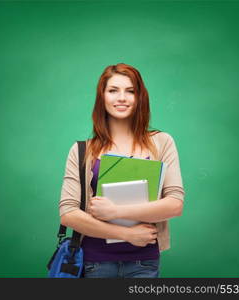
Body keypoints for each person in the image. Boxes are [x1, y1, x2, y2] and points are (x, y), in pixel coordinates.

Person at [59, 63, 185, 278]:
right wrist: (126, 234)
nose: (122, 98)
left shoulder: (162, 142)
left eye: (130, 91)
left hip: (144, 263)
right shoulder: (82, 150)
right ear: (102, 97)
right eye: (113, 90)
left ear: (140, 98)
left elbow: (175, 205)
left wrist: (116, 212)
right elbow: (68, 214)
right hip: (95, 264)